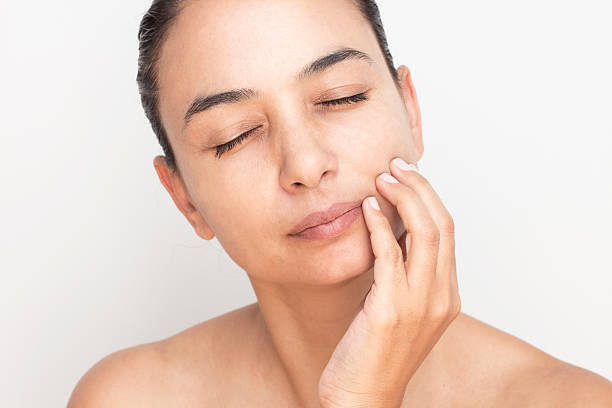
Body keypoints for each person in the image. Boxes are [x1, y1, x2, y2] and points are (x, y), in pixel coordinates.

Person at [67, 0, 612, 406]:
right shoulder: (128, 397)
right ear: (184, 198)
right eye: (234, 135)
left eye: (340, 97)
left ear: (411, 111)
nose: (305, 165)